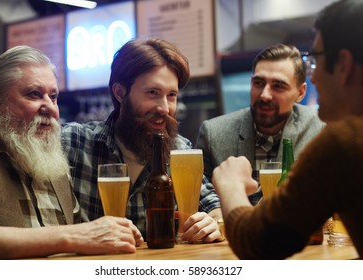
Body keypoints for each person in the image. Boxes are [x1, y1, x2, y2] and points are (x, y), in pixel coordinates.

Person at [212, 0, 363, 259]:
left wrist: (231, 184)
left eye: (315, 60)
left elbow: (260, 243)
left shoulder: (345, 141)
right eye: (258, 82)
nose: (313, 76)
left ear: (343, 64)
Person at [0, 45, 143, 259]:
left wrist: (113, 235)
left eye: (53, 97)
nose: (51, 108)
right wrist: (71, 236)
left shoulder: (51, 162)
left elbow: (81, 240)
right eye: (34, 94)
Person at [62, 38, 224, 243]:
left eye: (171, 95)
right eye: (153, 93)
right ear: (120, 93)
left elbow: (213, 207)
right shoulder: (74, 143)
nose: (164, 108)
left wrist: (212, 223)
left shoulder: (180, 150)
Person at [196, 43, 324, 204]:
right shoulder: (213, 133)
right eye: (259, 83)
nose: (265, 95)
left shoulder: (321, 129)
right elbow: (201, 196)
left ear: (300, 92)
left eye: (278, 86)